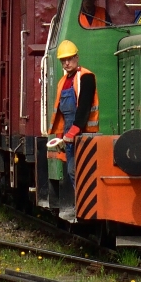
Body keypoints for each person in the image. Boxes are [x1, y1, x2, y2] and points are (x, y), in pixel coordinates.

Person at [47, 40, 98, 206]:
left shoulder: (86, 78)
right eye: (63, 60)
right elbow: (61, 113)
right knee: (72, 172)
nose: (67, 63)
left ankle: (87, 205)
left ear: (77, 57)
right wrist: (61, 137)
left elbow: (84, 108)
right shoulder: (63, 82)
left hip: (83, 135)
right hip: (69, 136)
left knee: (77, 171)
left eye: (69, 59)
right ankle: (83, 206)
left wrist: (74, 131)